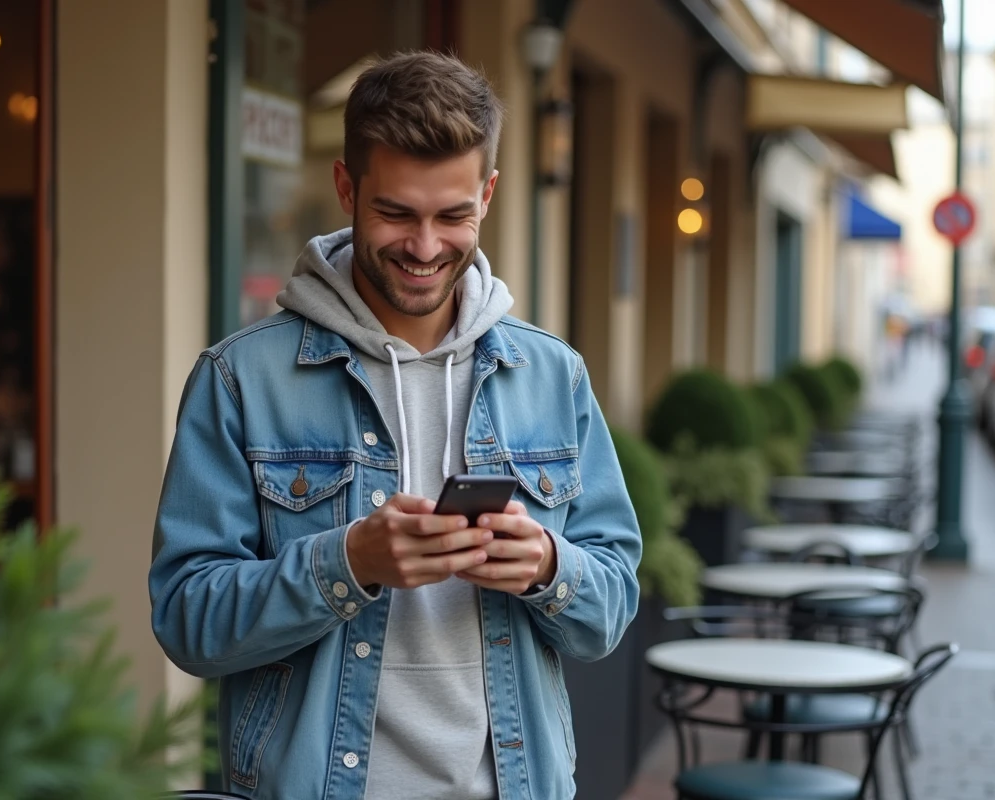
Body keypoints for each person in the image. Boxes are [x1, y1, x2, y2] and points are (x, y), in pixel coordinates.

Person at [150, 50, 641, 800]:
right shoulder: (240, 378)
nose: (424, 247)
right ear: (346, 186)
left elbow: (609, 609)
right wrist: (345, 564)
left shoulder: (552, 376)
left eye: (454, 215)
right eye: (396, 213)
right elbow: (188, 619)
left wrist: (547, 565)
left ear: (489, 194)